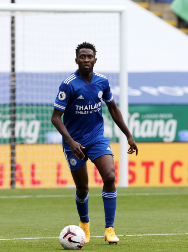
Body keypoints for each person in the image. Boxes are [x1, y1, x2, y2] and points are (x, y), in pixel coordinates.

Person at [51, 42, 138, 243]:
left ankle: (109, 229)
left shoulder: (103, 81)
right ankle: (84, 225)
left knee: (109, 176)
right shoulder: (69, 84)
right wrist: (71, 142)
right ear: (77, 60)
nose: (86, 60)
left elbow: (113, 109)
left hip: (97, 138)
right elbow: (56, 117)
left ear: (95, 60)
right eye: (82, 56)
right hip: (74, 143)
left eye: (89, 56)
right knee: (83, 188)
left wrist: (128, 135)